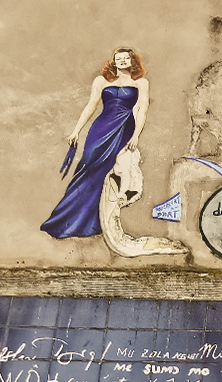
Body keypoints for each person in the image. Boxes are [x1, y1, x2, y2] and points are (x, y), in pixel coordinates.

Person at [40, 48, 187, 257]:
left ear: (132, 61)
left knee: (109, 174)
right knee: (88, 169)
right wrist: (76, 131)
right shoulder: (101, 81)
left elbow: (142, 109)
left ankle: (97, 223)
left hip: (124, 128)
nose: (122, 61)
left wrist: (136, 135)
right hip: (100, 129)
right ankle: (66, 220)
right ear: (114, 62)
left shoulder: (141, 83)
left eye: (126, 58)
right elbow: (91, 105)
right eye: (119, 59)